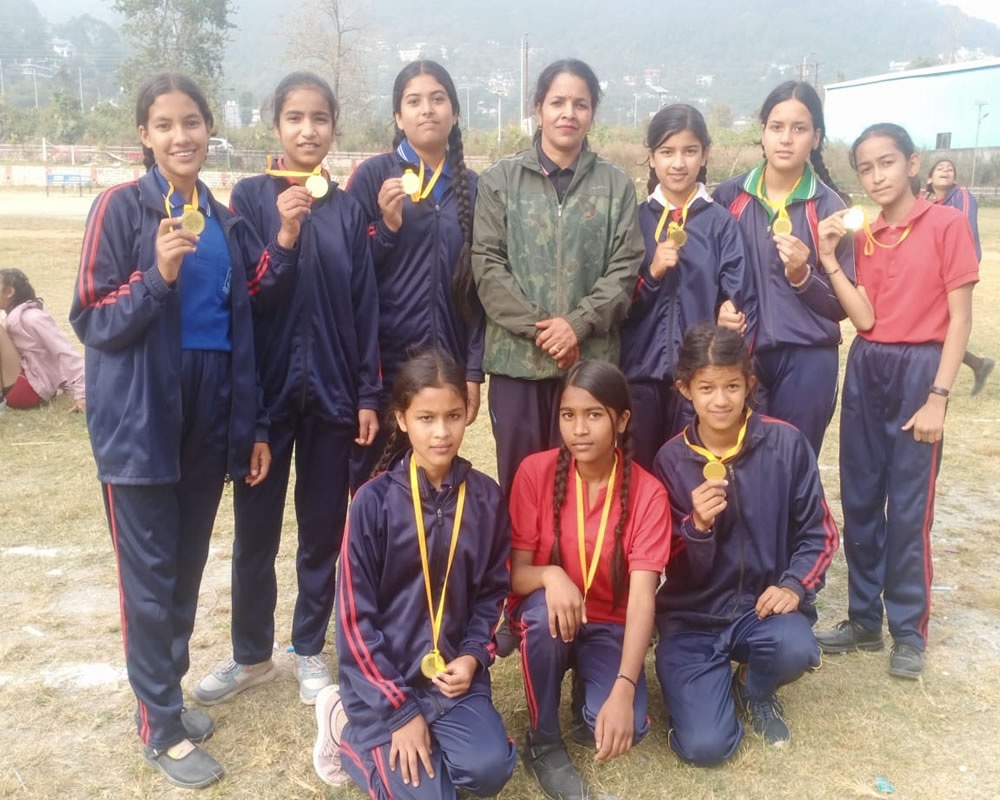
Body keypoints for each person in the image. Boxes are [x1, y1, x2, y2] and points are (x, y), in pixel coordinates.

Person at [69, 72, 274, 789]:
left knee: (185, 569)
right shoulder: (120, 208)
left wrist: (249, 424)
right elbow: (91, 317)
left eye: (192, 122)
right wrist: (155, 276)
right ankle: (158, 725)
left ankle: (167, 694)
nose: (181, 136)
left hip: (211, 411)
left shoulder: (222, 219)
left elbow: (242, 331)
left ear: (209, 129)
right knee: (149, 580)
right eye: (165, 124)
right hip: (143, 417)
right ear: (144, 135)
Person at [195, 71, 380, 708]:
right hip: (266, 400)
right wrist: (285, 236)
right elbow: (251, 298)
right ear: (276, 126)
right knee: (255, 532)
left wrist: (367, 395)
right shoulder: (250, 197)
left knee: (322, 530)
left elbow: (365, 309)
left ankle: (308, 648)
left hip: (332, 398)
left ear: (333, 128)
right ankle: (252, 654)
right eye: (295, 118)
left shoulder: (348, 208)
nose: (308, 129)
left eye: (319, 118)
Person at [313, 350, 517, 799]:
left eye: (453, 416)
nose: (441, 432)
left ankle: (435, 741)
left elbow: (493, 593)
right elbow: (353, 621)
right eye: (426, 418)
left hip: (450, 681)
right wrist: (400, 712)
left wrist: (472, 656)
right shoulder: (372, 504)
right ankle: (344, 727)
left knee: (489, 771)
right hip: (383, 686)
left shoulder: (486, 499)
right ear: (402, 419)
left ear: (468, 414)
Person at [815, 124, 979, 680]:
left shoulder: (947, 224)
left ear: (912, 163)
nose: (877, 176)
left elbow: (960, 319)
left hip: (919, 371)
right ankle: (864, 620)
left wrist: (938, 397)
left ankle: (908, 631)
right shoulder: (864, 234)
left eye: (886, 163)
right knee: (860, 498)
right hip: (868, 365)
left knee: (908, 509)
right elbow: (864, 318)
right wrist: (828, 257)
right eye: (866, 168)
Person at [654, 323, 838, 764]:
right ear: (685, 389)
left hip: (759, 611)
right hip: (692, 620)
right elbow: (662, 559)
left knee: (796, 646)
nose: (721, 400)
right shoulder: (670, 460)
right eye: (707, 388)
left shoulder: (786, 444)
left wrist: (794, 584)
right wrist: (696, 526)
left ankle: (753, 686)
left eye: (732, 386)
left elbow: (820, 532)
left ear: (749, 384)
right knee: (705, 748)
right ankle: (704, 687)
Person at [472, 58, 645, 496]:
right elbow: (488, 266)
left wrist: (577, 324)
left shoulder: (615, 186)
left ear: (592, 113)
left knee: (587, 491)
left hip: (591, 367)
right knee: (523, 490)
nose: (569, 113)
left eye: (580, 104)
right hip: (517, 365)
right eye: (558, 102)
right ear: (538, 108)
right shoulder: (499, 181)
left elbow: (625, 268)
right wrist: (544, 330)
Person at [509, 360, 670, 800]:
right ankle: (543, 741)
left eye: (594, 415)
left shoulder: (649, 493)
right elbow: (516, 576)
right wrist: (551, 574)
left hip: (608, 626)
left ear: (622, 420)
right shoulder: (535, 473)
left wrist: (625, 687)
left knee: (627, 725)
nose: (579, 429)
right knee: (541, 616)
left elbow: (642, 600)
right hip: (551, 616)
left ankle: (588, 687)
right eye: (568, 415)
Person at [347, 60, 483, 490]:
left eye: (438, 99)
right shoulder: (373, 176)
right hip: (384, 367)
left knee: (433, 488)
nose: (427, 109)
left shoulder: (474, 187)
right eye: (414, 101)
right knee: (374, 490)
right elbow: (350, 274)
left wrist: (473, 371)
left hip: (446, 369)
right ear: (398, 116)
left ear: (454, 113)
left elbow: (480, 290)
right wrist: (387, 229)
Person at [713, 81, 855, 455]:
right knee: (738, 464)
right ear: (762, 132)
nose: (786, 139)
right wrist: (719, 309)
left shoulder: (830, 208)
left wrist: (803, 277)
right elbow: (706, 278)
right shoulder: (727, 197)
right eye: (776, 127)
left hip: (809, 361)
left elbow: (843, 306)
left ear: (816, 137)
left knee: (794, 464)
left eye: (799, 128)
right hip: (740, 356)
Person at [620, 104, 756, 468]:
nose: (678, 163)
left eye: (689, 151)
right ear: (651, 157)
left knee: (690, 471)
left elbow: (736, 293)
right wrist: (652, 274)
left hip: (698, 377)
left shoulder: (721, 224)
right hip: (639, 375)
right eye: (667, 152)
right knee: (640, 473)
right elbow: (617, 303)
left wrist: (730, 314)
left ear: (705, 154)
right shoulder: (634, 221)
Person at [925, 158, 992, 395]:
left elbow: (961, 230)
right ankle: (978, 364)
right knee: (934, 325)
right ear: (929, 178)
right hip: (936, 271)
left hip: (956, 269)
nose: (945, 170)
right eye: (939, 168)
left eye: (950, 168)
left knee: (944, 324)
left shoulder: (961, 196)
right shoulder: (932, 203)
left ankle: (943, 381)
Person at [0, 268, 85, 412]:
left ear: (9, 292)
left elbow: (64, 351)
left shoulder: (33, 318)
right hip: (19, 383)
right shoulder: (12, 317)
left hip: (28, 390)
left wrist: (82, 392)